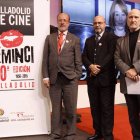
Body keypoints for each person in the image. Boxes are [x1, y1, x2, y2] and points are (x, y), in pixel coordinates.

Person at [42, 13, 82, 140]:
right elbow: (45, 60)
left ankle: (70, 134)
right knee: (56, 109)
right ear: (57, 22)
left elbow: (78, 61)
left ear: (69, 23)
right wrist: (45, 77)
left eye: (65, 20)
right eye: (60, 20)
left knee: (71, 109)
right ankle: (56, 133)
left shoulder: (75, 39)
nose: (62, 22)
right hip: (54, 79)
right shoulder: (49, 38)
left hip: (70, 79)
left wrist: (77, 76)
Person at [82, 15, 117, 140]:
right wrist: (90, 66)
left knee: (107, 109)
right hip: (92, 80)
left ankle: (108, 135)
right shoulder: (89, 40)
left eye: (100, 23)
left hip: (106, 80)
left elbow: (110, 56)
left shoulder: (112, 38)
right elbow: (84, 56)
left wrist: (98, 68)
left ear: (105, 24)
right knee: (95, 108)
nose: (97, 25)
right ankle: (98, 133)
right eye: (95, 23)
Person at [114, 9, 140, 139]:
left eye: (136, 17)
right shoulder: (121, 41)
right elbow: (117, 59)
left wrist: (135, 69)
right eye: (131, 17)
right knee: (133, 114)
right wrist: (128, 71)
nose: (133, 20)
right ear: (127, 20)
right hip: (128, 82)